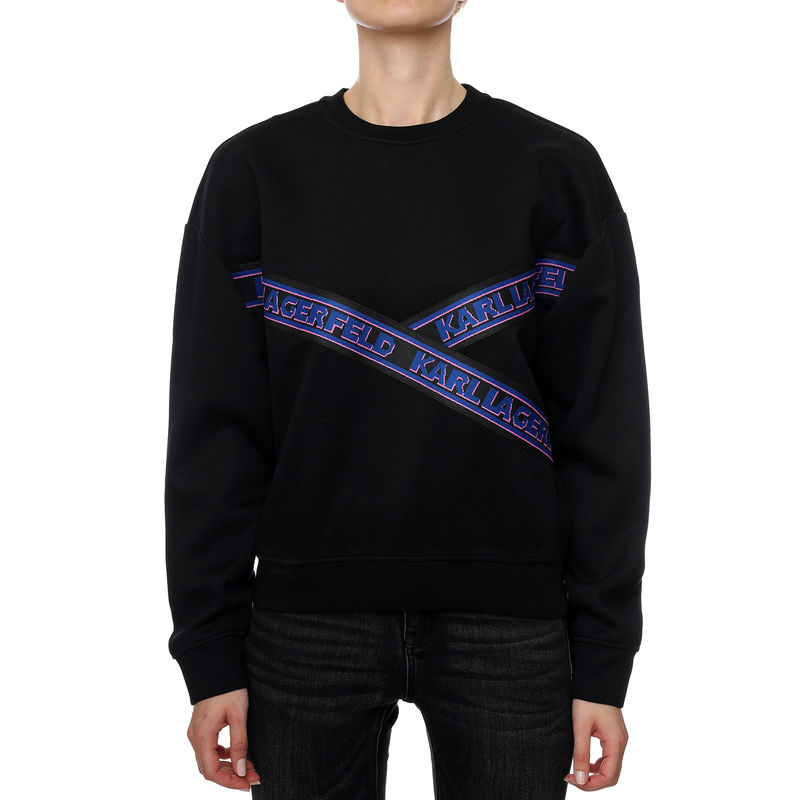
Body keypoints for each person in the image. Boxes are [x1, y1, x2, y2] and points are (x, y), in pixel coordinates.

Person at [164, 1, 651, 797]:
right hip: (304, 626)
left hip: (512, 627)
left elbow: (605, 430)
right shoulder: (253, 173)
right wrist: (210, 650)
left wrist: (603, 656)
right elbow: (214, 432)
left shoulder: (555, 169)